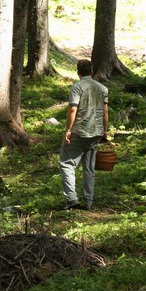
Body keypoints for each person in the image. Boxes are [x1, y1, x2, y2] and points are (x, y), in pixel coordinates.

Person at [59, 60, 108, 210]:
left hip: (79, 132)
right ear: (91, 72)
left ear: (78, 72)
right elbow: (105, 111)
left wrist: (68, 129)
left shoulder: (77, 87)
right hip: (96, 132)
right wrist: (104, 130)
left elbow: (73, 109)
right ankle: (88, 201)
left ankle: (72, 199)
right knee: (89, 168)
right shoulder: (103, 88)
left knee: (67, 164)